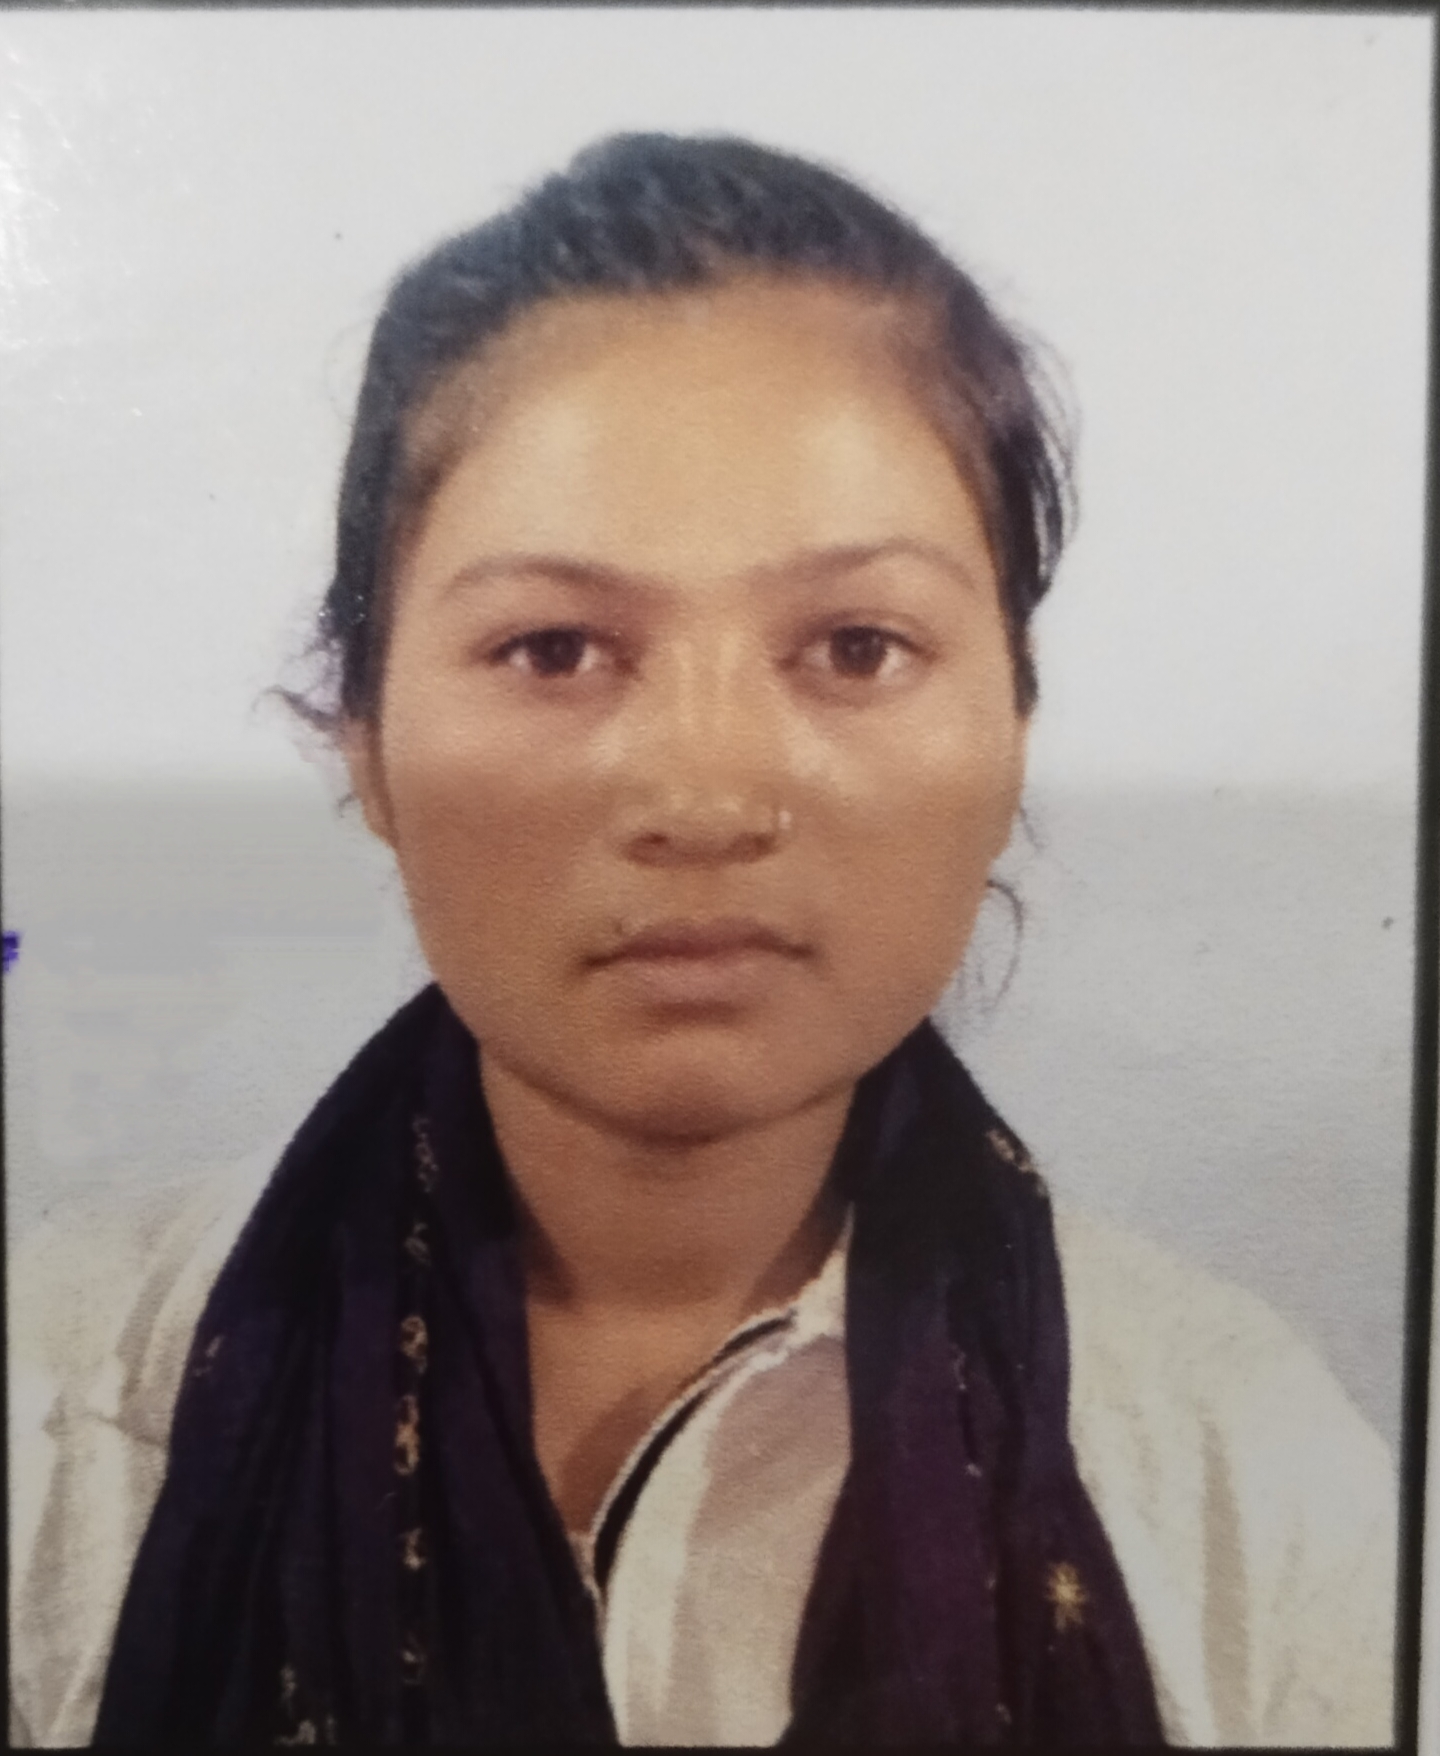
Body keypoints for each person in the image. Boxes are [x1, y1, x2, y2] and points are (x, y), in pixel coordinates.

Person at [9, 133, 1395, 1748]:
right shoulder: (58, 1404)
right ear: (366, 744)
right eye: (554, 649)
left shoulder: (1242, 1476)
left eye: (857, 647)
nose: (707, 797)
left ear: (1013, 732)